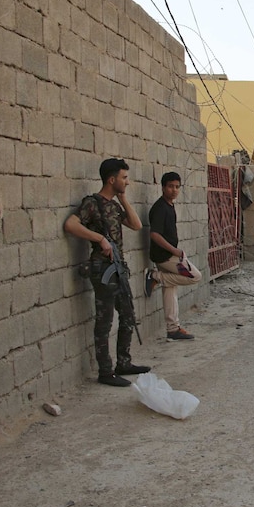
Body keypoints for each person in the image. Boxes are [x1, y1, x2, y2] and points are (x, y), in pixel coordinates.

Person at [63, 158, 150, 387]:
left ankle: (124, 362)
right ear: (112, 179)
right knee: (105, 320)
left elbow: (136, 225)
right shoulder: (93, 203)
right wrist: (99, 238)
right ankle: (105, 371)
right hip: (102, 268)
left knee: (128, 315)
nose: (127, 182)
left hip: (117, 269)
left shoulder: (113, 205)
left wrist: (123, 198)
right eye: (123, 178)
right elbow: (71, 225)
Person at [144, 171, 202, 340]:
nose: (174, 190)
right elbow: (154, 234)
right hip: (166, 257)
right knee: (194, 276)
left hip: (166, 255)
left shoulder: (169, 205)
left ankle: (172, 329)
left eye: (177, 187)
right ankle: (154, 276)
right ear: (163, 187)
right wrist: (175, 251)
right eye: (170, 186)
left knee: (170, 289)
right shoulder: (161, 207)